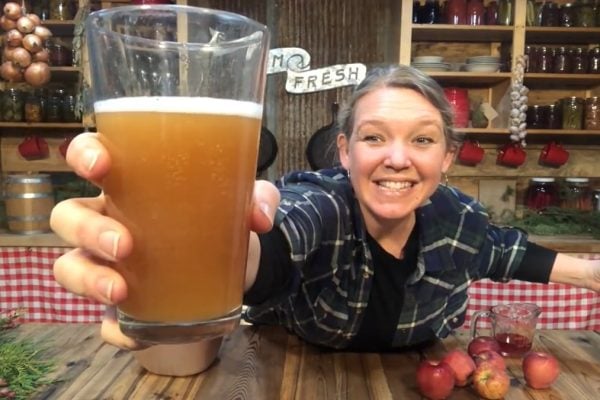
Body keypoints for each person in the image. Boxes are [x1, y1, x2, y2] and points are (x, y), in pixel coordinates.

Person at [51, 64, 600, 353]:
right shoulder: (322, 204)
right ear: (345, 152)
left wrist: (590, 274)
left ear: (448, 158)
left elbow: (504, 252)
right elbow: (270, 247)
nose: (397, 159)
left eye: (424, 141)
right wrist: (184, 247)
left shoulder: (457, 217)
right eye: (374, 137)